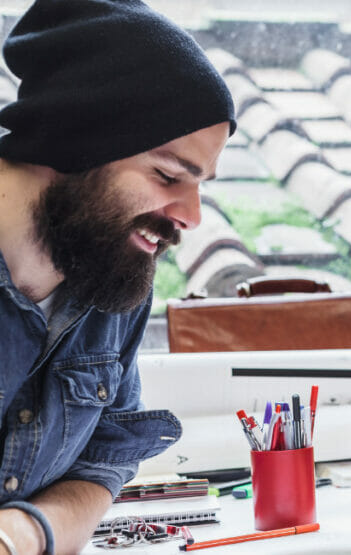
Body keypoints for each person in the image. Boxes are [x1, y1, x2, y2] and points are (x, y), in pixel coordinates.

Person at [0, 0, 235, 552]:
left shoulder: (113, 269)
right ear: (74, 143)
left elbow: (103, 461)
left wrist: (23, 534)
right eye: (169, 174)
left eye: (201, 184)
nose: (192, 216)